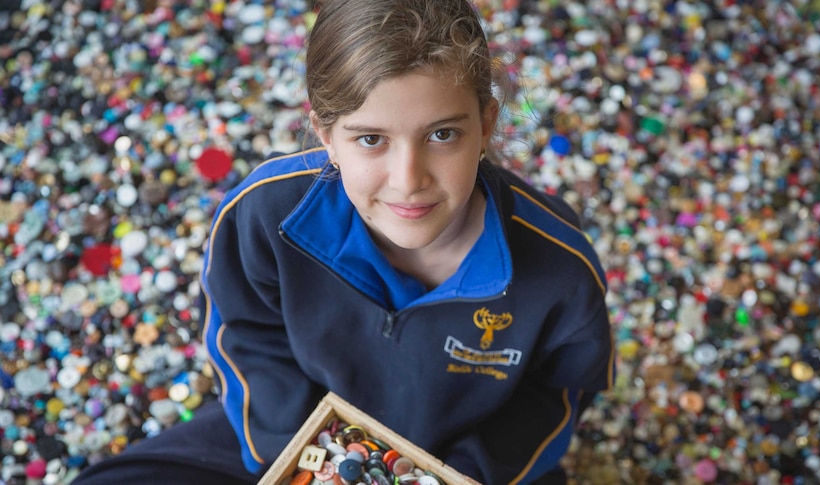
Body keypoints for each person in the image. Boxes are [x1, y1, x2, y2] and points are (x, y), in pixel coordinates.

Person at [73, 0, 615, 483]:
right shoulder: (268, 215)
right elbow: (247, 337)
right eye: (371, 139)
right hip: (300, 434)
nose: (409, 179)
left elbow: (559, 395)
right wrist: (290, 456)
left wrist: (458, 472)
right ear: (328, 135)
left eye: (443, 134)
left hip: (458, 457)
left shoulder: (559, 268)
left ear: (486, 124)